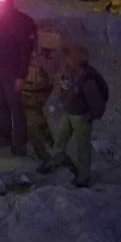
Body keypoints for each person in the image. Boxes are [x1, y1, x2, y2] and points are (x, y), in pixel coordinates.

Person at [0, 0, 40, 156]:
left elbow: (26, 50)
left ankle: (20, 144)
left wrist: (21, 75)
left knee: (16, 107)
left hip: (12, 70)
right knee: (1, 104)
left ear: (5, 4)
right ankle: (4, 137)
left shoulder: (22, 21)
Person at [45, 46, 109, 187]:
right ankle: (56, 160)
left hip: (81, 117)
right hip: (69, 112)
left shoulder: (88, 80)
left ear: (76, 60)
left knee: (82, 147)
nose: (66, 60)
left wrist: (90, 116)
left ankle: (83, 176)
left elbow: (98, 104)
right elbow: (68, 89)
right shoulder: (72, 71)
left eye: (69, 57)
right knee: (60, 139)